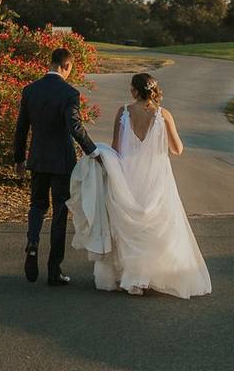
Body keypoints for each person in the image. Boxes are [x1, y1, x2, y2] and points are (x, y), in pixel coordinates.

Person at [67, 73, 212, 299]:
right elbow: (177, 149)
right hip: (156, 178)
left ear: (135, 91)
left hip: (127, 176)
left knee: (127, 226)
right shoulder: (164, 115)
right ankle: (148, 276)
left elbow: (116, 147)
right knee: (156, 226)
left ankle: (132, 277)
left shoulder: (123, 112)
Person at [13, 47, 101, 286]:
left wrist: (19, 158)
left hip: (38, 159)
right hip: (62, 162)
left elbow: (21, 128)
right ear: (67, 66)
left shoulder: (30, 90)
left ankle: (32, 242)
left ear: (50, 62)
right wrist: (93, 151)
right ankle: (54, 270)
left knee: (37, 205)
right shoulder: (69, 93)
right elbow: (74, 127)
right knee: (60, 212)